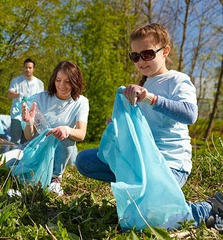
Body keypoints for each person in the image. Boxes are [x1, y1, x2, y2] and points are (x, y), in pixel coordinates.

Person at [75, 23, 223, 229]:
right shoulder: (142, 86)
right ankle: (142, 192)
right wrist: (118, 125)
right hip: (141, 161)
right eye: (135, 56)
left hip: (170, 163)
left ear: (165, 51)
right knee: (84, 160)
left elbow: (190, 114)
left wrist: (151, 99)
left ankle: (208, 209)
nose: (140, 61)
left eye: (146, 54)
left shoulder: (177, 80)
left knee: (147, 220)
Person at [0, 61, 89, 195]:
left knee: (65, 138)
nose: (62, 85)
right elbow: (30, 137)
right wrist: (29, 123)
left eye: (67, 81)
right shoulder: (40, 98)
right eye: (58, 80)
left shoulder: (81, 102)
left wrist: (67, 129)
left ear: (75, 82)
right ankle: (27, 181)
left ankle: (55, 178)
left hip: (63, 153)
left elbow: (81, 134)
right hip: (38, 150)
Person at [7, 58, 44, 148]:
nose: (27, 70)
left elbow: (41, 99)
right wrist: (19, 94)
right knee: (15, 140)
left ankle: (24, 160)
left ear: (33, 69)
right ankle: (12, 160)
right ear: (23, 68)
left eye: (30, 68)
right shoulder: (16, 81)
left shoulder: (39, 83)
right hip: (17, 115)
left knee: (28, 140)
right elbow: (10, 94)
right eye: (26, 67)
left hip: (31, 116)